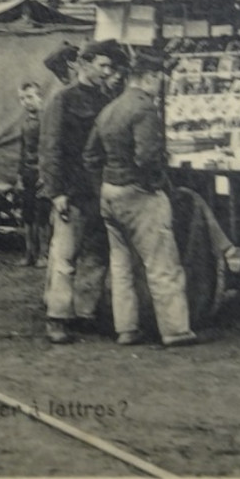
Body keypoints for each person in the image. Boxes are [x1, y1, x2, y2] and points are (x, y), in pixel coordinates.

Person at [84, 46, 197, 348]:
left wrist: (103, 187)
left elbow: (91, 156)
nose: (162, 83)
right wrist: (155, 186)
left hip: (110, 193)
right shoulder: (145, 108)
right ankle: (175, 330)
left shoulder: (109, 109)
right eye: (160, 77)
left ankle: (127, 329)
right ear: (149, 77)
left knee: (121, 267)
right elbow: (147, 158)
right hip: (139, 195)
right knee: (163, 264)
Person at [37, 38, 127, 344]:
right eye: (102, 66)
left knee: (97, 254)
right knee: (65, 256)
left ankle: (85, 313)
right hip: (73, 191)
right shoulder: (62, 100)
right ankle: (58, 318)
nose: (106, 71)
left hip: (100, 190)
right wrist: (56, 192)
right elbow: (50, 149)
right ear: (85, 65)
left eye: (109, 67)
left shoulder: (108, 100)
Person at [15, 80, 47, 268]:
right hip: (27, 173)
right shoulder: (25, 123)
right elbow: (22, 150)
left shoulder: (46, 119)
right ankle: (30, 254)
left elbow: (48, 149)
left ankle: (44, 255)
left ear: (39, 97)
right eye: (22, 98)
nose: (26, 101)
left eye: (30, 97)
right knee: (28, 215)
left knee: (42, 215)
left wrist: (45, 174)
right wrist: (19, 176)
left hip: (41, 173)